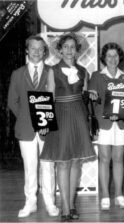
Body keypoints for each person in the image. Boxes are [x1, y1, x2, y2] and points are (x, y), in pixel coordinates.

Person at [40, 33, 96, 222]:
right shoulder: (53, 71)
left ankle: (71, 204)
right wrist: (45, 125)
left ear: (77, 50)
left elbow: (85, 98)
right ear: (60, 49)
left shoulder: (83, 71)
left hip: (79, 116)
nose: (70, 50)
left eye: (73, 47)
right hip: (61, 116)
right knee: (63, 162)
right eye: (66, 47)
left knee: (75, 162)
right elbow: (49, 98)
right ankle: (64, 206)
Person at [7, 35, 59, 218]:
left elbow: (56, 100)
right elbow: (13, 101)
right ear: (27, 50)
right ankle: (30, 202)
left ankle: (50, 202)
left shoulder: (52, 72)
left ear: (45, 52)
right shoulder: (17, 73)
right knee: (30, 166)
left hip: (47, 128)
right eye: (33, 48)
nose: (36, 52)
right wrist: (26, 118)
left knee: (48, 166)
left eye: (40, 49)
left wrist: (47, 119)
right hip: (26, 128)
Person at [88, 42, 124, 210]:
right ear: (103, 58)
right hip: (104, 123)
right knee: (104, 159)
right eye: (109, 56)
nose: (112, 59)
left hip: (121, 123)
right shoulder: (97, 76)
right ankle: (105, 195)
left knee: (119, 159)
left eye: (115, 55)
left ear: (120, 58)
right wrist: (93, 96)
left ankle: (119, 194)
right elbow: (93, 100)